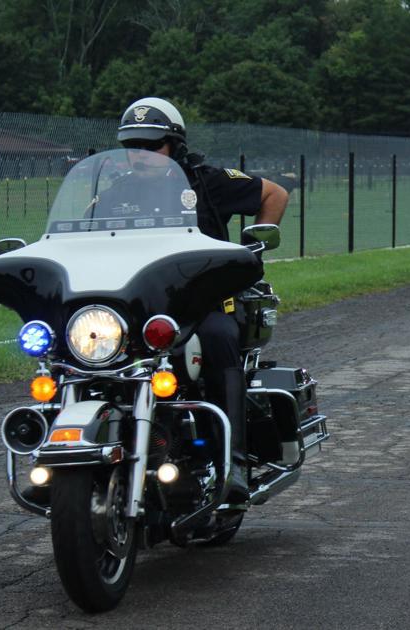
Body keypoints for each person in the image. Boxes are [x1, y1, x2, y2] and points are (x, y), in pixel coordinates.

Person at [117, 96, 288, 504]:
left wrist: (253, 247)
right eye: (132, 147)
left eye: (151, 146)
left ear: (174, 145)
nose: (140, 156)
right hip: (139, 308)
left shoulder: (206, 181)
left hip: (202, 305)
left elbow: (275, 194)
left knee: (217, 340)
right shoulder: (115, 192)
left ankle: (234, 463)